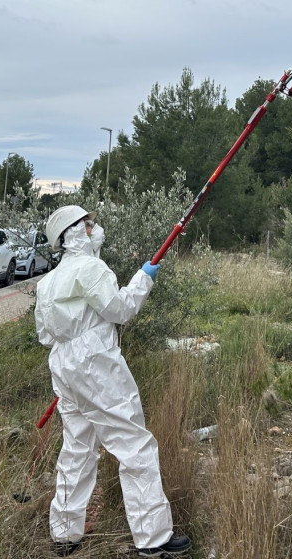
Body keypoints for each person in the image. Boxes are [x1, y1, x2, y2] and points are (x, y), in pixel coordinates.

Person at [34, 205, 191, 558]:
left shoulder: (47, 283)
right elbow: (119, 309)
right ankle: (153, 539)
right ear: (75, 232)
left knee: (77, 448)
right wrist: (144, 278)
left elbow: (46, 335)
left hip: (63, 364)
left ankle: (64, 534)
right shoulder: (91, 268)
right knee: (133, 443)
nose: (95, 228)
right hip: (95, 364)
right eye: (89, 224)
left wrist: (72, 350)